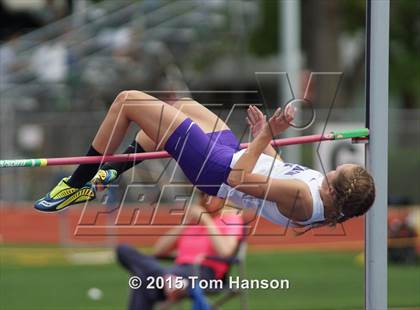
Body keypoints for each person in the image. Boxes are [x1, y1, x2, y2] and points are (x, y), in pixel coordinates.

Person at [35, 91, 375, 229]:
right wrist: (263, 136)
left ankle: (76, 184)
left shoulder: (304, 201)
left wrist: (266, 135)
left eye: (332, 174)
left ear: (333, 193)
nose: (328, 171)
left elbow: (239, 180)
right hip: (232, 156)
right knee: (181, 105)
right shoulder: (321, 196)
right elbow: (277, 170)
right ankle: (110, 171)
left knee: (128, 102)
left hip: (216, 169)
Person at [116, 192, 244, 310]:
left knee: (144, 280)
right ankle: (168, 278)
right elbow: (159, 250)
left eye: (212, 195)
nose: (207, 199)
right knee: (124, 250)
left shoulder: (231, 220)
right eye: (203, 195)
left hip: (206, 274)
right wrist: (186, 223)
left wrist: (207, 221)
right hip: (177, 272)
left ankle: (169, 279)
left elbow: (226, 251)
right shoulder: (193, 222)